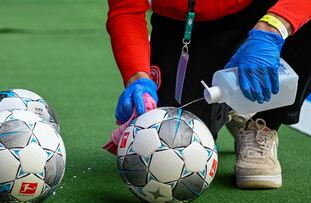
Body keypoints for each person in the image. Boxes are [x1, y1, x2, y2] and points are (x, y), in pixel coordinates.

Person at [106, 0, 311, 189]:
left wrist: (272, 29)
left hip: (265, 10)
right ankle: (232, 103)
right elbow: (126, 9)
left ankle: (263, 125)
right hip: (187, 23)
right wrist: (138, 78)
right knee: (173, 137)